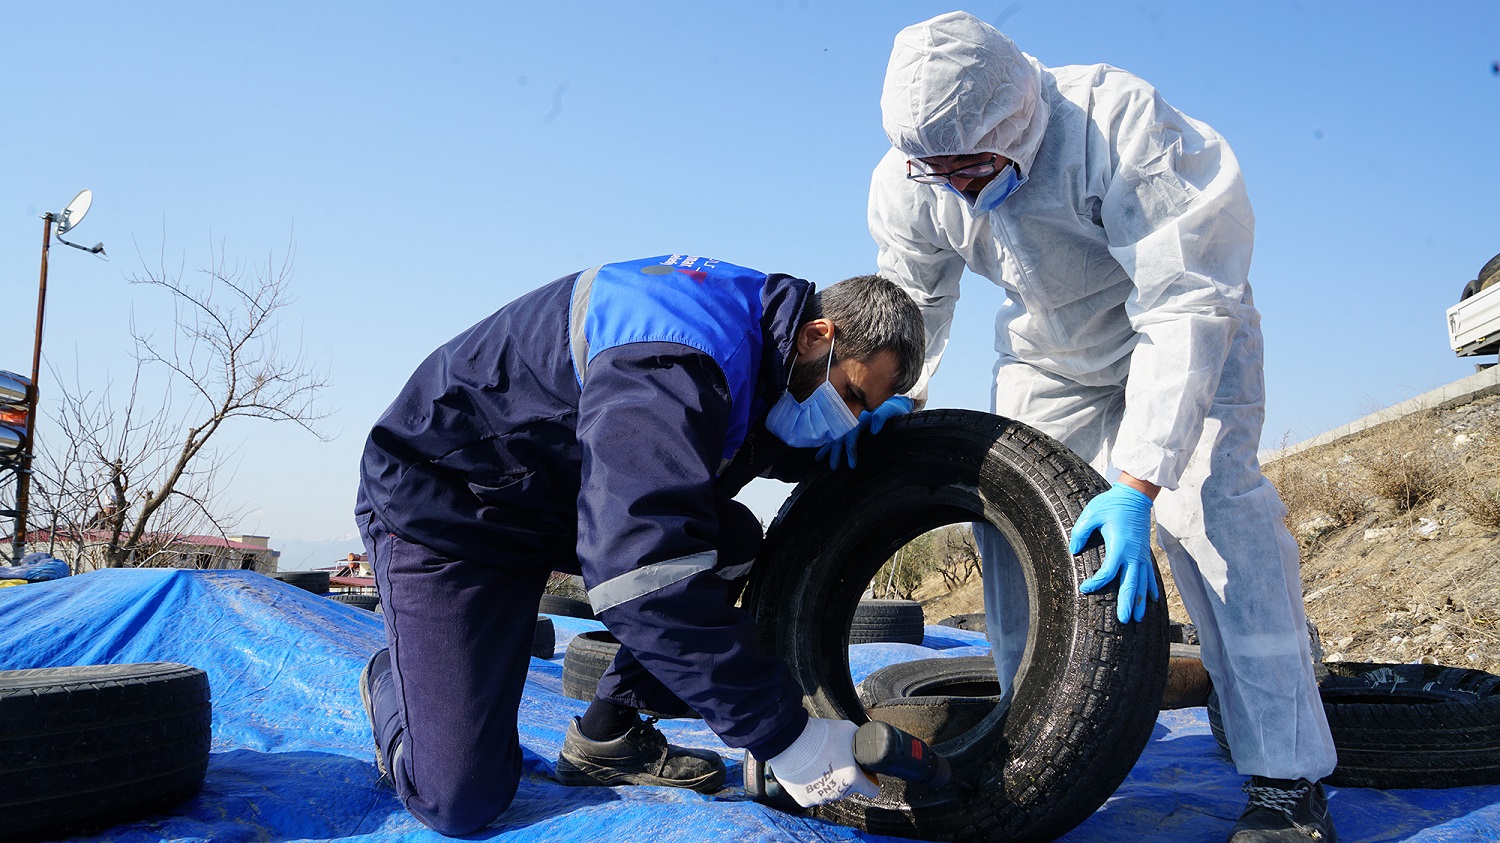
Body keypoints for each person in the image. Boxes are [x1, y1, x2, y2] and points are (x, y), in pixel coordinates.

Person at [864, 13, 1338, 843]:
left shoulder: (1115, 124)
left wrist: (1140, 484)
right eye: (938, 172)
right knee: (1012, 530)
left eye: (971, 166)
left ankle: (1286, 781)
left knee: (1217, 525)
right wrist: (898, 390)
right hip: (1050, 354)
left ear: (1016, 118)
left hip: (1184, 334)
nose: (958, 186)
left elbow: (1186, 299)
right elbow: (914, 294)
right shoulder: (916, 174)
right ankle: (1039, 750)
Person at [353, 255, 924, 835]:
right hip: (448, 514)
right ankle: (394, 683)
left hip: (552, 507)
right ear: (817, 336)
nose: (847, 418)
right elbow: (636, 569)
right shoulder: (672, 357)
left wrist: (877, 440)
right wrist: (786, 736)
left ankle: (609, 735)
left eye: (863, 411)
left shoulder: (771, 353)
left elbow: (756, 441)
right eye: (851, 395)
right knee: (461, 800)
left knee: (728, 539)